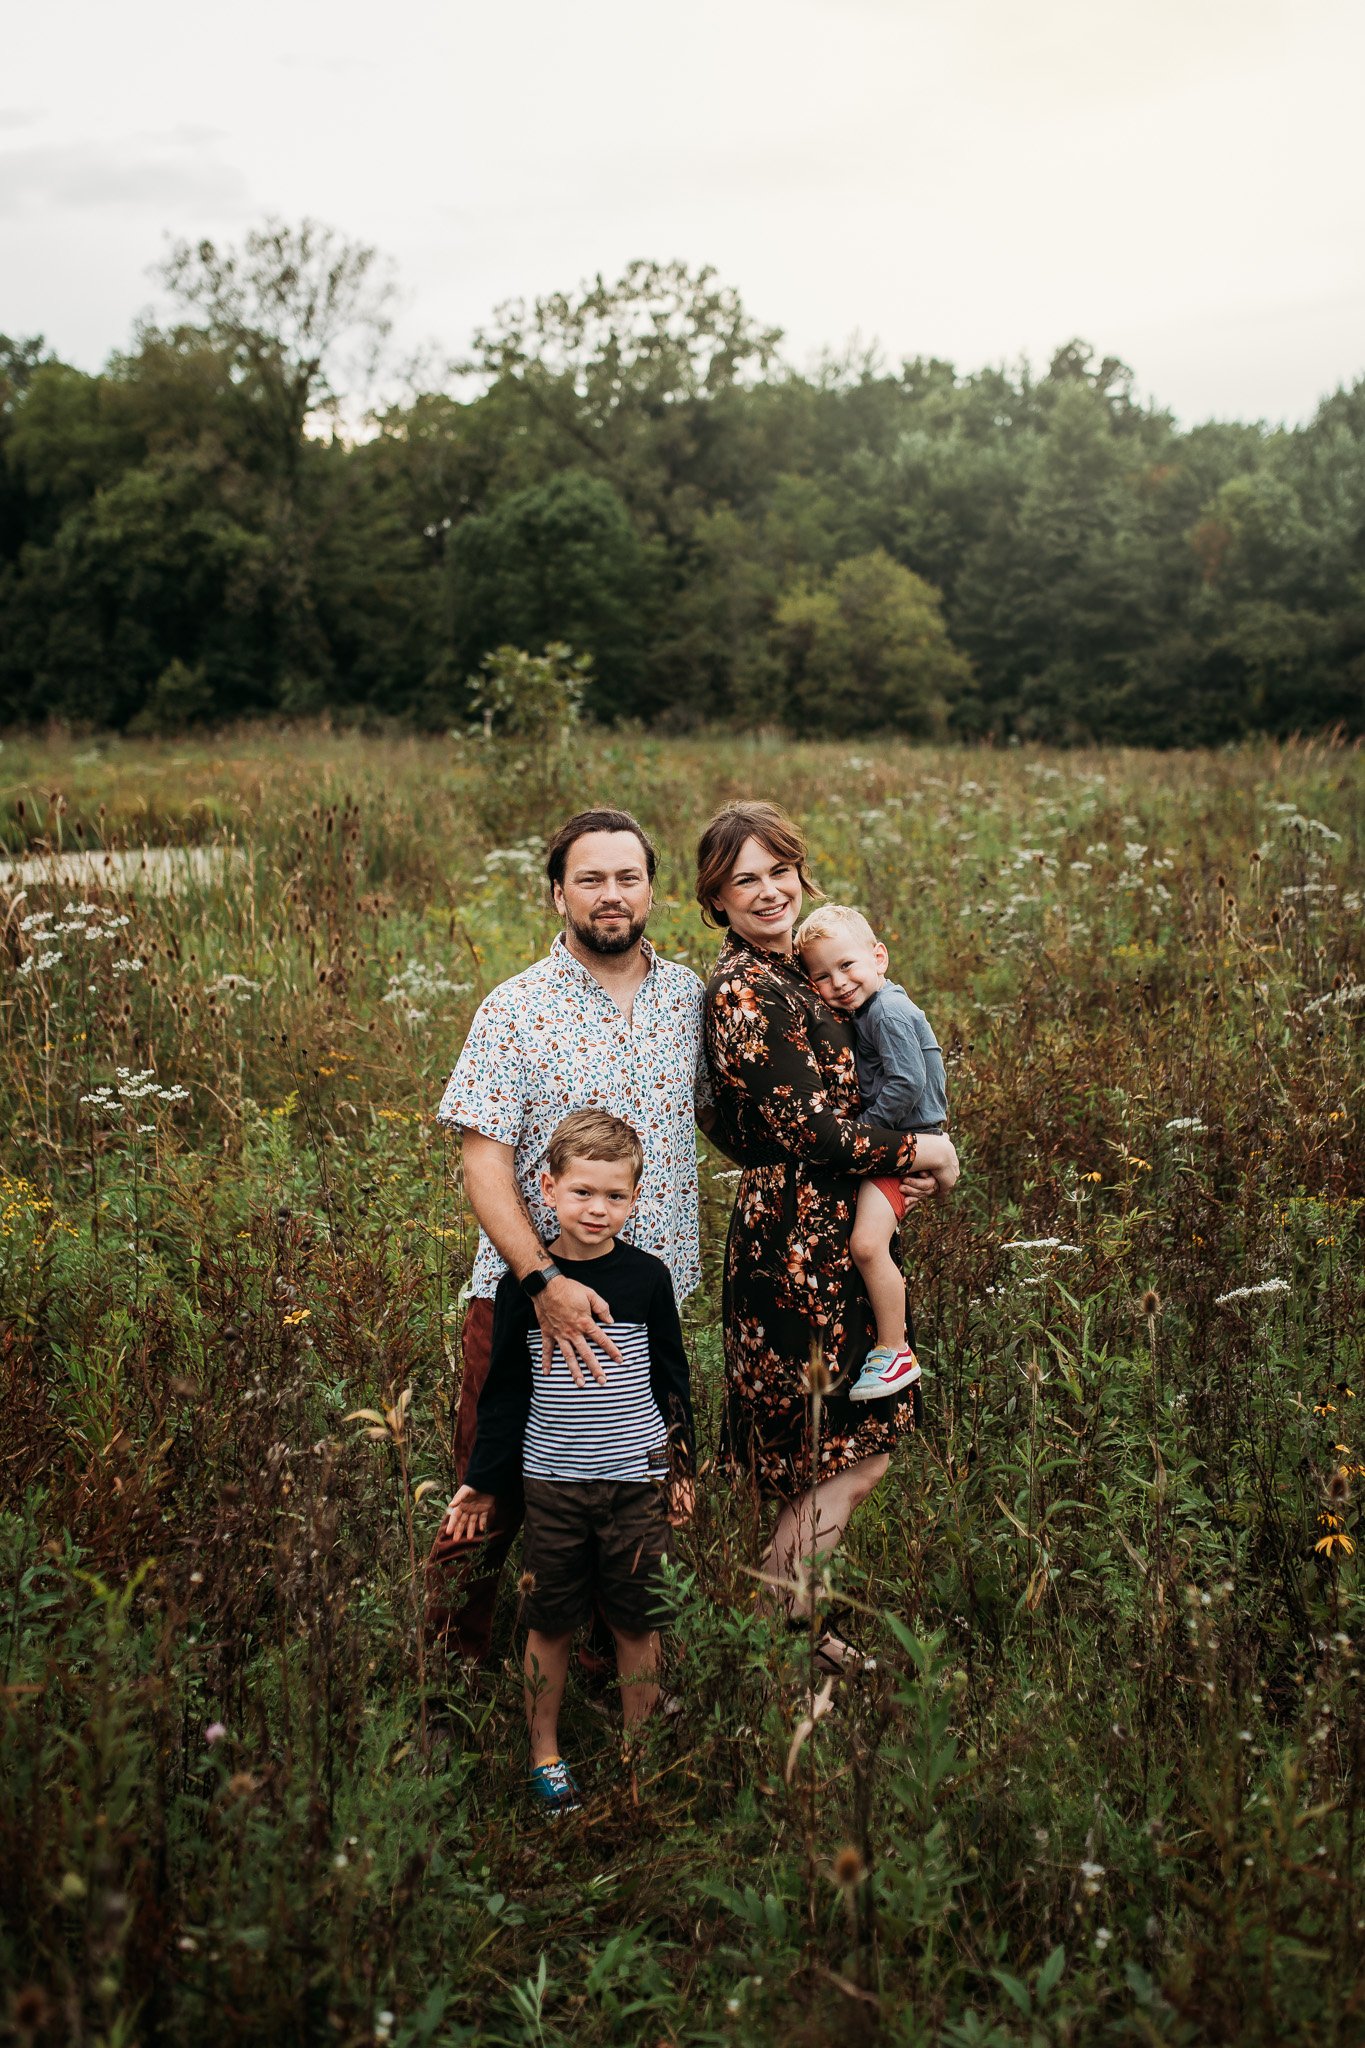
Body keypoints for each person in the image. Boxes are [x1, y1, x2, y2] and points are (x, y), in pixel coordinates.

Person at [426, 808, 708, 1662]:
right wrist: (540, 1286)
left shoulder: (691, 998)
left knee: (630, 1496)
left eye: (627, 877)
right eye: (590, 878)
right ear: (558, 893)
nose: (611, 895)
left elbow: (741, 1117)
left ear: (652, 890)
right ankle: (447, 1671)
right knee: (495, 1483)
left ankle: (599, 1672)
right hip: (527, 1297)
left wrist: (899, 1150)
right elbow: (483, 1164)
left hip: (644, 1300)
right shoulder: (514, 1008)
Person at [696, 801, 959, 1675]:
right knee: (837, 1448)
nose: (767, 891)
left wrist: (893, 1159)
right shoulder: (743, 989)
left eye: (779, 871)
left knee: (844, 1448)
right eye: (745, 880)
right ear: (716, 901)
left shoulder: (800, 971)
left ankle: (792, 1626)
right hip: (796, 1244)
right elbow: (812, 1132)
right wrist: (924, 1149)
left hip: (830, 1223)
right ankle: (780, 1639)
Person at [442, 1110, 694, 1814]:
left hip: (635, 1485)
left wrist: (681, 1468)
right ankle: (545, 1754)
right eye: (582, 1192)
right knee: (548, 1620)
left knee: (636, 1621)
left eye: (615, 1196)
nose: (597, 1208)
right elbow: (503, 1399)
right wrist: (483, 1485)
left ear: (636, 1200)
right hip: (552, 1483)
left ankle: (637, 1753)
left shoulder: (647, 1279)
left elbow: (672, 1381)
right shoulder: (523, 1290)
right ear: (545, 1188)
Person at [795, 904, 949, 1403]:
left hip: (906, 1137)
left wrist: (862, 1135)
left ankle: (894, 1349)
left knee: (866, 1245)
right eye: (822, 975)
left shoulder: (888, 1011)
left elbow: (908, 1082)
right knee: (867, 1242)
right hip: (903, 1140)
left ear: (878, 957)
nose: (838, 982)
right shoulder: (869, 1009)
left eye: (847, 966)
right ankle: (890, 1346)